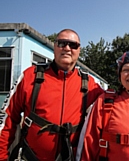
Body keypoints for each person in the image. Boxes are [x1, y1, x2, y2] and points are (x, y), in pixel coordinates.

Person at [0, 29, 104, 160]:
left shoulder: (89, 84)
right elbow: (7, 118)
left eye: (73, 45)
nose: (67, 48)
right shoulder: (30, 76)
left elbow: (115, 106)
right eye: (62, 43)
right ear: (54, 47)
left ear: (79, 50)